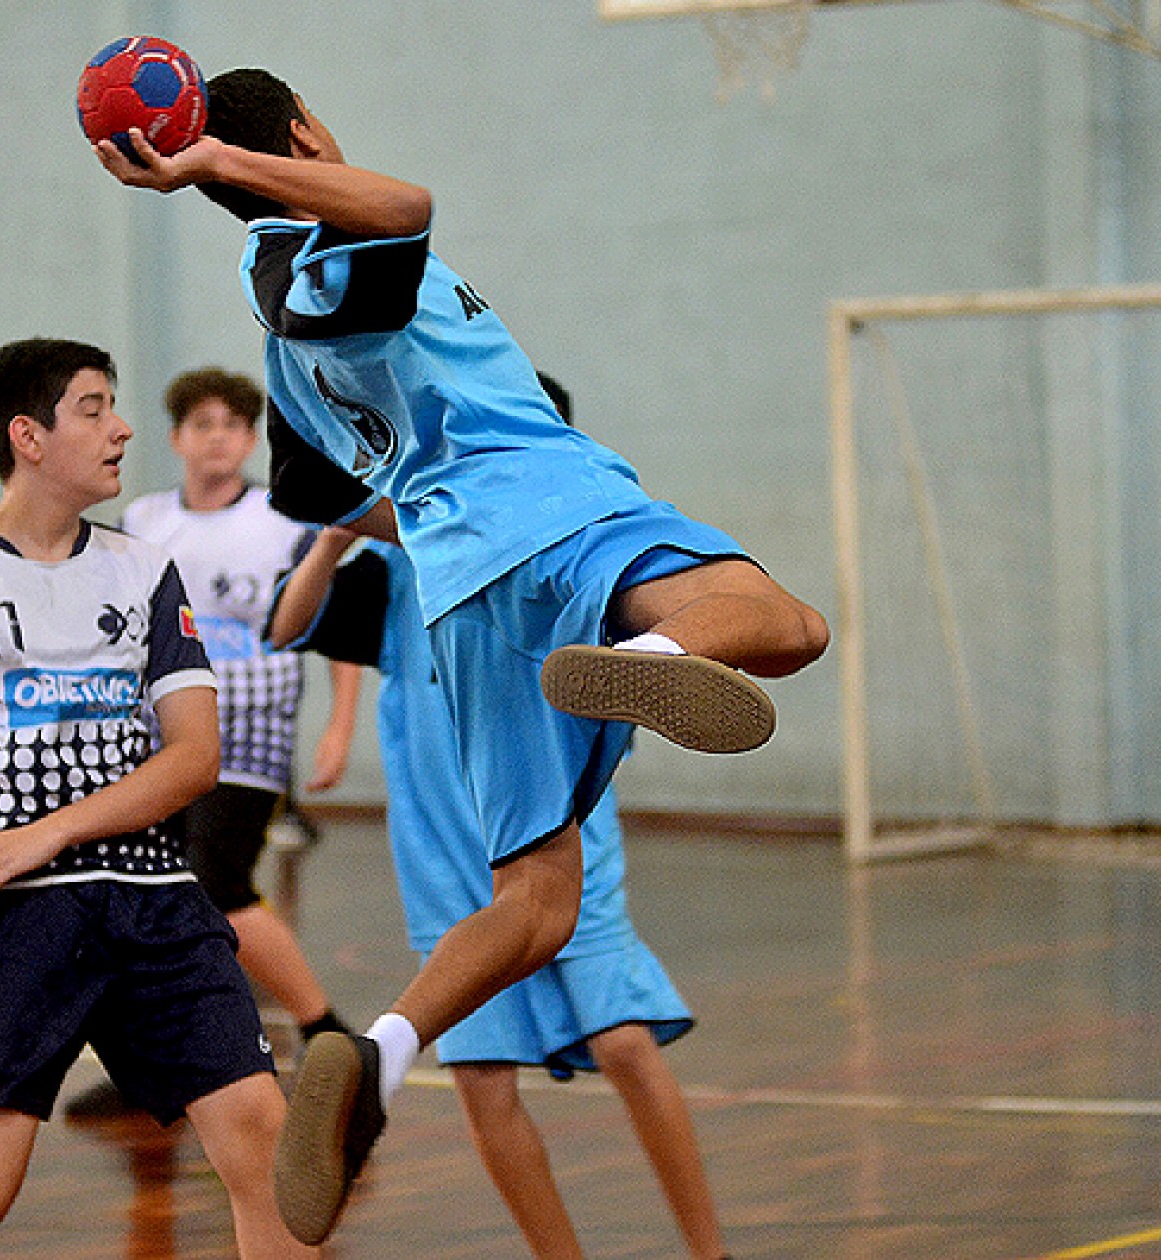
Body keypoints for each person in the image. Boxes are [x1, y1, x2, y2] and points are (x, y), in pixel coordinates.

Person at [95, 70, 830, 1244]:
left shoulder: (281, 330)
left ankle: (381, 1054)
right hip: (552, 509)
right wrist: (216, 168)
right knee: (789, 625)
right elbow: (406, 205)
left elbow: (302, 488)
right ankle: (657, 650)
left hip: (461, 585)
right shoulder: (321, 248)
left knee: (532, 898)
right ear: (306, 136)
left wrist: (414, 510)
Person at [0, 338, 312, 1259]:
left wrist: (46, 833)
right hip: (14, 921)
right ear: (29, 436)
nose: (120, 428)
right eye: (93, 408)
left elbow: (194, 758)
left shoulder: (144, 570)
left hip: (156, 902)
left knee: (265, 1144)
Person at [264, 374, 731, 1260]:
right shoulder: (398, 567)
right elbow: (284, 626)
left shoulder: (565, 560)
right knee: (481, 1079)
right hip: (445, 863)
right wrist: (332, 533)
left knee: (626, 1043)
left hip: (560, 840)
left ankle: (711, 1252)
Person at [63, 366, 354, 1121]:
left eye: (231, 424)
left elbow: (336, 625)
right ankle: (153, 1062)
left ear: (251, 439)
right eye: (202, 424)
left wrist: (340, 723)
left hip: (250, 730)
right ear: (176, 439)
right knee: (147, 895)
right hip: (159, 729)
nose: (216, 437)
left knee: (217, 881)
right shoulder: (147, 518)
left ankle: (327, 1032)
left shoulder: (282, 520)